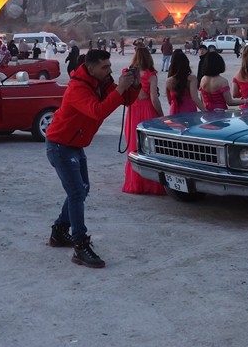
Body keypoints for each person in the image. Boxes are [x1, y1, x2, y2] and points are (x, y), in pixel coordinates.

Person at [44, 48, 138, 268]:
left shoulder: (101, 81)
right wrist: (120, 88)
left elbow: (125, 100)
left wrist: (133, 85)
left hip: (74, 144)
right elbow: (98, 111)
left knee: (82, 189)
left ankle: (59, 231)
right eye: (105, 67)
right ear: (91, 67)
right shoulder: (78, 87)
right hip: (60, 145)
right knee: (77, 192)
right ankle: (80, 245)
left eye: (109, 66)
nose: (109, 70)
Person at [122, 47, 165, 196]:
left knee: (133, 146)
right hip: (147, 111)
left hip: (133, 110)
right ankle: (151, 184)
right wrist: (161, 116)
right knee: (149, 148)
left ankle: (135, 183)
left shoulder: (128, 74)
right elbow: (154, 98)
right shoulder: (151, 75)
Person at [164, 49, 199, 115]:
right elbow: (195, 97)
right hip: (189, 109)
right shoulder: (192, 78)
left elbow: (169, 100)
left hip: (174, 109)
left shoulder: (168, 81)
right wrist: (205, 111)